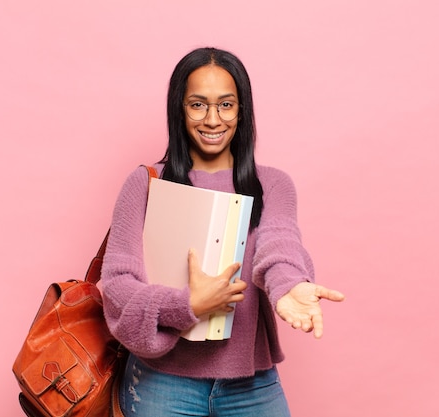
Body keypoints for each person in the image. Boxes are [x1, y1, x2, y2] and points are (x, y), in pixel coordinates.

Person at [101, 47, 345, 417]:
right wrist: (187, 305)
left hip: (252, 386)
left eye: (226, 105)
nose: (213, 119)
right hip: (162, 383)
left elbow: (278, 243)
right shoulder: (144, 184)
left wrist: (289, 285)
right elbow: (118, 284)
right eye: (198, 105)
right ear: (179, 109)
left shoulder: (273, 184)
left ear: (241, 110)